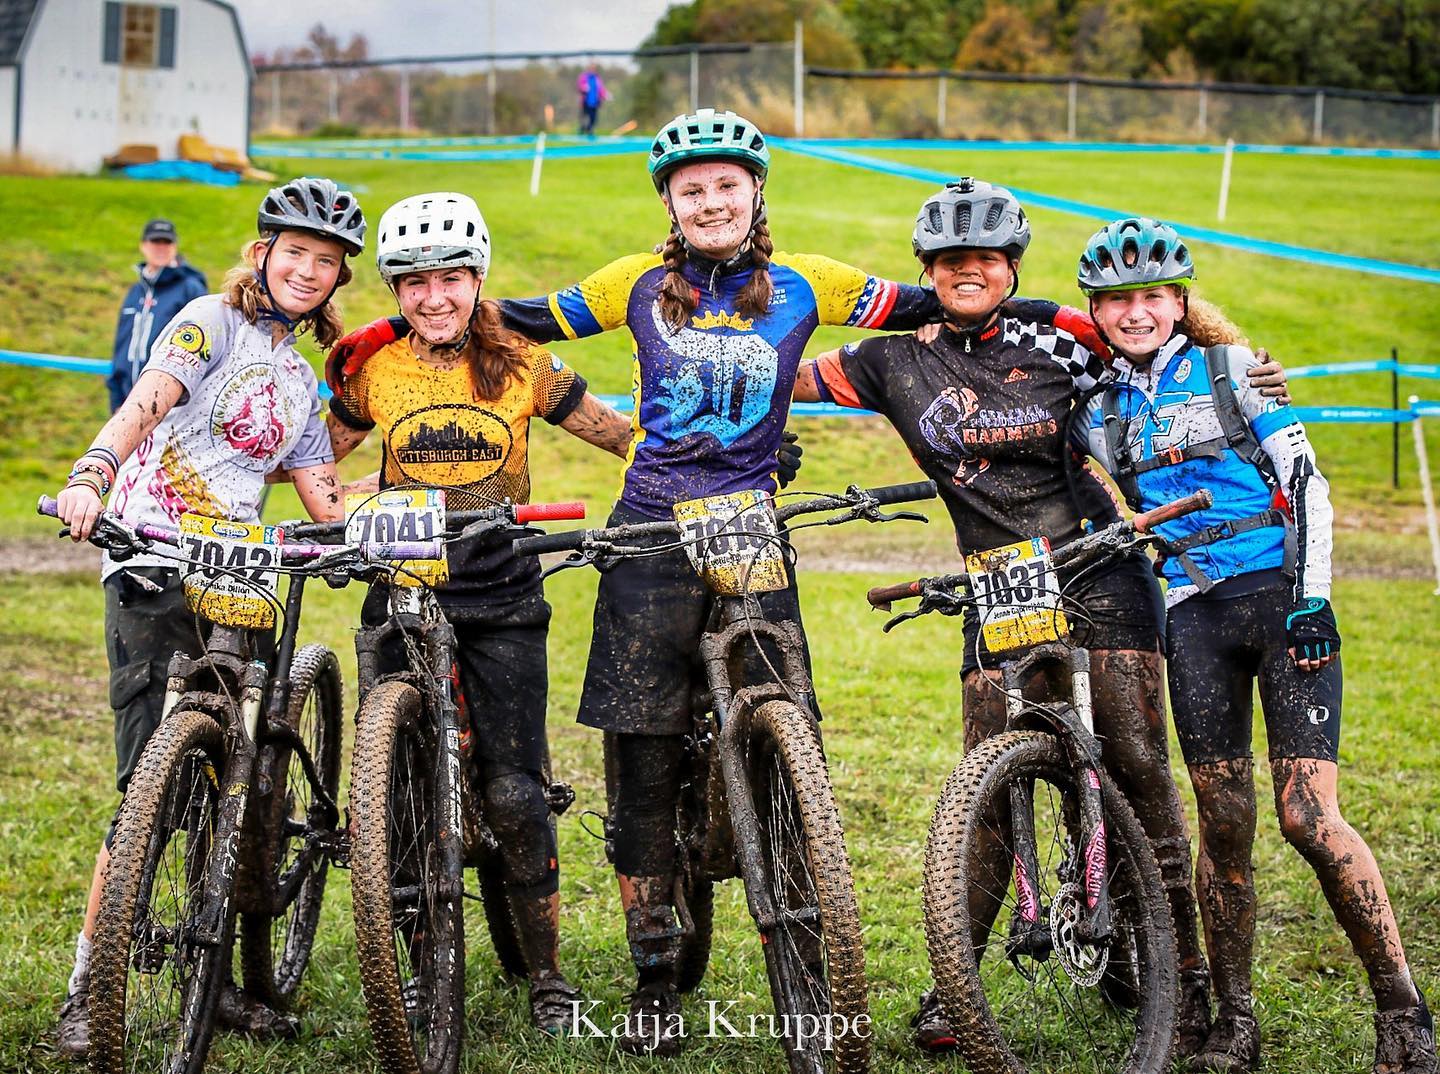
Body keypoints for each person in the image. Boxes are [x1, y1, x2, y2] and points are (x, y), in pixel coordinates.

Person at [329, 107, 948, 1055]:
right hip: (650, 523)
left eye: (725, 185)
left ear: (754, 191)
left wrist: (1068, 322)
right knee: (642, 745)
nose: (709, 201)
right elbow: (504, 314)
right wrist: (385, 321)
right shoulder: (635, 285)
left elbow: (941, 299)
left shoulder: (806, 284)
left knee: (794, 728)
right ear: (669, 200)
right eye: (689, 188)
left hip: (749, 523)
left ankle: (800, 905)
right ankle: (654, 972)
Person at [795, 179, 1289, 1058]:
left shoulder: (1057, 327)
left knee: (1138, 770)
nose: (967, 271)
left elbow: (1163, 339)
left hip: (1103, 570)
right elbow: (787, 377)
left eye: (984, 257)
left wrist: (1248, 361)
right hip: (998, 582)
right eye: (950, 260)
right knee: (987, 786)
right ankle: (957, 986)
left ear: (1010, 263)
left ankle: (1185, 973)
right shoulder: (891, 359)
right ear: (929, 270)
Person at [1074, 217, 1437, 1074]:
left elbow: (1307, 481)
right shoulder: (1097, 410)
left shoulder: (1233, 369)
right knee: (1224, 828)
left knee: (1308, 818)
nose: (1137, 312)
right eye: (1119, 299)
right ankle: (1236, 1026)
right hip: (1194, 616)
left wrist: (1314, 599)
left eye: (1154, 296)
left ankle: (1404, 1011)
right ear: (1098, 309)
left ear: (1180, 301)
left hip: (1280, 606)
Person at [52, 176, 365, 1058]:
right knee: (147, 789)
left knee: (240, 785)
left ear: (337, 281)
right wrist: (92, 471)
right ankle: (88, 988)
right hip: (153, 560)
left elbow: (320, 496)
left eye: (326, 262)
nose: (308, 270)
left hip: (243, 577)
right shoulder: (205, 323)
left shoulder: (303, 383)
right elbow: (145, 400)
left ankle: (215, 976)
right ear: (261, 254)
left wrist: (381, 515)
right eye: (294, 252)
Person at [325, 191, 633, 1033]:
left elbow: (615, 433)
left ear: (478, 278)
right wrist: (326, 493)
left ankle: (547, 974)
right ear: (394, 290)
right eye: (414, 282)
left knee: (515, 789)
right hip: (403, 586)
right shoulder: (372, 370)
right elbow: (312, 452)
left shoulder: (523, 361)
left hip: (501, 593)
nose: (434, 297)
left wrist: (700, 460)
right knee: (393, 789)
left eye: (451, 279)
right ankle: (413, 955)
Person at [108, 218, 208, 412]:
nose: (161, 247)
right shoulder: (135, 292)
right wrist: (116, 398)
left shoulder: (191, 288)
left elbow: (201, 348)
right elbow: (121, 345)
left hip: (169, 406)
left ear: (175, 246)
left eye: (166, 242)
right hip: (127, 402)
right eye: (155, 242)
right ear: (143, 246)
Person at [576, 63, 609, 136]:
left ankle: (590, 130)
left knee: (593, 118)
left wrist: (605, 95)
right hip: (586, 101)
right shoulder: (584, 77)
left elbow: (601, 89)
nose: (592, 70)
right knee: (584, 116)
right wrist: (583, 88)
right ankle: (582, 128)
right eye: (591, 68)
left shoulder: (597, 78)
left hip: (595, 102)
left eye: (594, 69)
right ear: (588, 69)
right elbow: (579, 86)